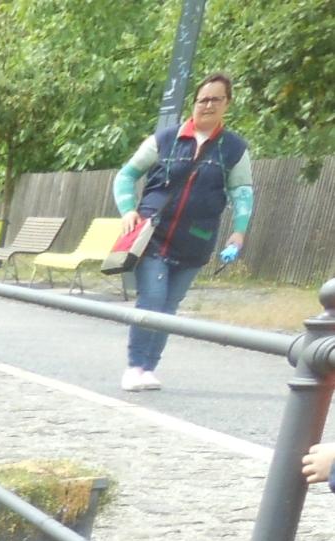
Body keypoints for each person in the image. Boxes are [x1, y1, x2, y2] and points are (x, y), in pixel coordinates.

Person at [113, 73, 252, 392]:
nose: (208, 105)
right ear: (194, 102)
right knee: (153, 298)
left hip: (196, 241)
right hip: (153, 235)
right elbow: (126, 175)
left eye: (216, 99)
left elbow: (242, 192)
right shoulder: (165, 139)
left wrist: (239, 232)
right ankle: (134, 365)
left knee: (170, 308)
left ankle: (149, 368)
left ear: (227, 103)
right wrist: (128, 210)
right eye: (202, 99)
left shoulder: (234, 149)